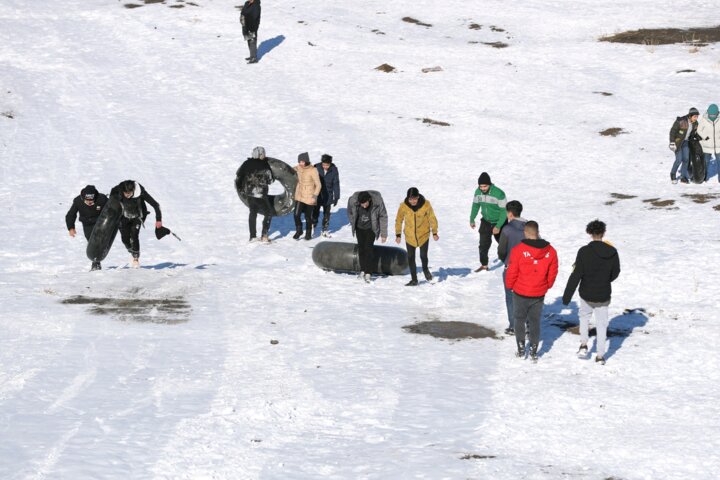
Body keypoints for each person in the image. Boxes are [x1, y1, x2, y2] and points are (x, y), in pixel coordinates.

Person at [562, 220, 620, 365]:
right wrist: (606, 279)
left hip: (586, 294)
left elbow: (576, 275)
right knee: (602, 324)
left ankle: (583, 344)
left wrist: (567, 295)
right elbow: (616, 272)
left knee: (584, 318)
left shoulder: (584, 251)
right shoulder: (612, 252)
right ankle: (600, 355)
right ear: (603, 233)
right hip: (603, 294)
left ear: (589, 233)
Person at [505, 221, 558, 361]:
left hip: (520, 291)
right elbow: (553, 272)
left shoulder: (518, 250)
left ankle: (521, 348)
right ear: (537, 232)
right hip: (539, 292)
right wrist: (547, 285)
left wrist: (509, 285)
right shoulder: (551, 251)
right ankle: (534, 350)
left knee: (519, 319)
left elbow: (512, 271)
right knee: (534, 321)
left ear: (526, 233)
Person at [110, 180, 162, 268]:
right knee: (125, 238)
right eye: (125, 194)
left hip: (138, 216)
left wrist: (158, 219)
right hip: (124, 216)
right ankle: (130, 249)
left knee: (134, 234)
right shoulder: (116, 190)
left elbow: (156, 205)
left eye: (129, 193)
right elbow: (110, 204)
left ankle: (136, 258)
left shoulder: (141, 192)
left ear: (133, 190)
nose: (127, 196)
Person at [394, 187, 439, 286]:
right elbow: (398, 220)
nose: (413, 201)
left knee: (423, 256)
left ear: (418, 197)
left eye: (415, 199)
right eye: (410, 199)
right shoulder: (403, 206)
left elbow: (432, 218)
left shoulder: (426, 205)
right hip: (410, 236)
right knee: (410, 257)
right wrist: (398, 234)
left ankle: (425, 270)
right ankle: (414, 279)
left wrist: (434, 232)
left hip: (423, 235)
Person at [496, 200, 527, 334]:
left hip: (511, 267)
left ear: (509, 214)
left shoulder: (507, 229)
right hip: (527, 268)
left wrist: (506, 260)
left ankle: (514, 326)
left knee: (510, 297)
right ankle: (527, 324)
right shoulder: (530, 227)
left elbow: (501, 250)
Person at [347, 190, 388, 283]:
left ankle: (368, 272)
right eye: (362, 204)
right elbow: (349, 212)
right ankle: (362, 270)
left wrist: (384, 234)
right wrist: (353, 221)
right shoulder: (353, 201)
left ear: (369, 200)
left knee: (368, 248)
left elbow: (383, 216)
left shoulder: (378, 202)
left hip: (371, 229)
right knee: (361, 249)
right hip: (359, 228)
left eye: (365, 203)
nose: (364, 206)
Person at [469, 172, 507, 272]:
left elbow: (504, 211)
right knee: (483, 245)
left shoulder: (499, 193)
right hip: (486, 221)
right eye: (481, 186)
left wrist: (498, 226)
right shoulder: (478, 192)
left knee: (503, 245)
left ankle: (510, 263)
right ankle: (484, 265)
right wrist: (472, 219)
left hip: (500, 221)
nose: (482, 188)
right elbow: (475, 205)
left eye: (484, 186)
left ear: (489, 184)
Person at [65, 185, 108, 271]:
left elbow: (112, 209)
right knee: (91, 241)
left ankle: (96, 263)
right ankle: (96, 262)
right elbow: (70, 215)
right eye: (87, 200)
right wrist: (71, 228)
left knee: (99, 241)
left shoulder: (102, 199)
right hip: (87, 224)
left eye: (91, 200)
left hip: (100, 222)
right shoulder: (78, 201)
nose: (89, 202)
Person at [236, 146, 274, 243]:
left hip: (249, 193)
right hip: (260, 194)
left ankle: (252, 236)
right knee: (268, 213)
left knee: (253, 212)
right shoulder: (264, 164)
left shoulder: (246, 163)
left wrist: (242, 188)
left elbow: (239, 174)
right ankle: (264, 236)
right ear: (260, 154)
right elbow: (270, 180)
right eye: (263, 154)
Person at [293, 152, 321, 240]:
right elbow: (290, 170)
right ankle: (299, 230)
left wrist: (315, 196)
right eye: (299, 162)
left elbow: (319, 185)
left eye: (302, 161)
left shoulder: (313, 170)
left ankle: (308, 233)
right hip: (300, 195)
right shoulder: (298, 168)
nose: (300, 163)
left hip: (309, 197)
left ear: (306, 161)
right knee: (296, 214)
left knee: (307, 217)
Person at [312, 154, 340, 237]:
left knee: (327, 214)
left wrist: (337, 197)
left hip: (328, 195)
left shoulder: (334, 170)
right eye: (324, 164)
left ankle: (325, 229)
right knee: (315, 212)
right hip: (318, 194)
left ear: (330, 163)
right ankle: (314, 225)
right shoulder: (316, 167)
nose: (325, 166)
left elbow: (336, 183)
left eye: (327, 165)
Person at [669, 107, 700, 184]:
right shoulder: (681, 121)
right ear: (690, 115)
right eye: (695, 116)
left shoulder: (695, 123)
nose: (696, 118)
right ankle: (673, 174)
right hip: (678, 142)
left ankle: (683, 176)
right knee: (679, 159)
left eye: (697, 117)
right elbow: (673, 131)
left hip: (686, 142)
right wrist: (672, 142)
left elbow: (694, 133)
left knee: (686, 159)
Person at [698, 103, 719, 182]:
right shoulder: (704, 119)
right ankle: (704, 177)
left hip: (718, 146)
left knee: (719, 163)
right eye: (711, 115)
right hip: (707, 145)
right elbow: (699, 130)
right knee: (705, 163)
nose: (712, 116)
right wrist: (705, 137)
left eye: (714, 115)